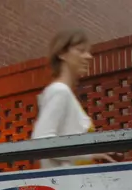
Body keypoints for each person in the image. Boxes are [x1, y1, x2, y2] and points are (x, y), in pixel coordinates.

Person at [31, 29, 115, 168]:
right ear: (62, 53)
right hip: (65, 186)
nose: (89, 56)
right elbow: (42, 140)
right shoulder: (60, 91)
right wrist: (90, 154)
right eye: (81, 50)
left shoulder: (63, 94)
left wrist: (95, 153)